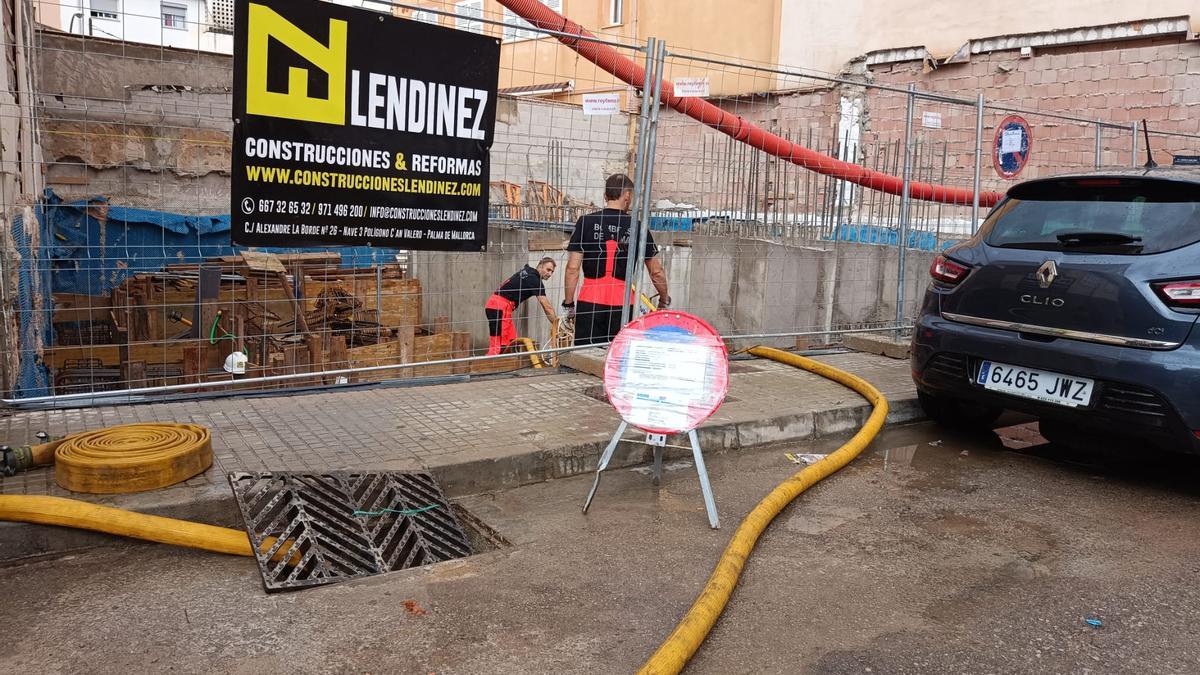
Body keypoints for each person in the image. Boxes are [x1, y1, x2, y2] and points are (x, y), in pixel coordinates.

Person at [561, 174, 670, 346]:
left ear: (605, 196)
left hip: (590, 300)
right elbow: (656, 272)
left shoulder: (586, 222)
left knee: (586, 355)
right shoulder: (638, 227)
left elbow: (572, 269)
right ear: (627, 196)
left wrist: (568, 305)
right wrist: (664, 300)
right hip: (623, 303)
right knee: (619, 357)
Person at [485, 257, 558, 355]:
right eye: (548, 270)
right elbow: (546, 306)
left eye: (552, 272)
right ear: (540, 266)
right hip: (499, 306)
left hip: (500, 306)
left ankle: (505, 365)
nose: (549, 274)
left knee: (511, 341)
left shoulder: (528, 271)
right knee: (497, 346)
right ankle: (489, 367)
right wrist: (556, 323)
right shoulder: (535, 280)